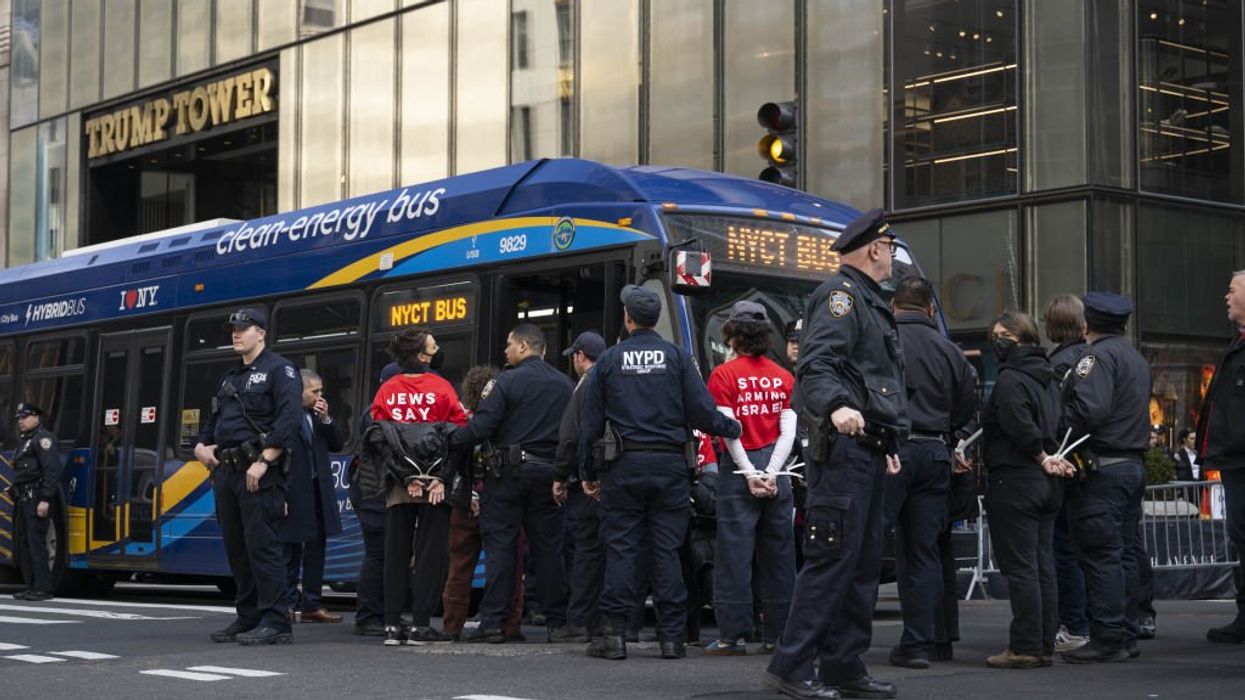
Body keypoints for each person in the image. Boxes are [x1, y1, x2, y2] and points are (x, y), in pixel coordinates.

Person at [764, 208, 907, 700]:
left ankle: (844, 667)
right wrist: (839, 406)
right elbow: (818, 365)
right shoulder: (842, 297)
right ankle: (791, 666)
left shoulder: (868, 300)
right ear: (873, 249)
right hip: (843, 452)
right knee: (831, 562)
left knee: (862, 566)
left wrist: (886, 441)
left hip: (865, 451)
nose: (892, 254)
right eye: (889, 246)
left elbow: (872, 380)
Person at [577, 283, 741, 662]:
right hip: (670, 468)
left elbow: (590, 423)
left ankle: (614, 636)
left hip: (623, 468)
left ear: (628, 318)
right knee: (667, 551)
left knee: (621, 549)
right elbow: (702, 413)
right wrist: (733, 428)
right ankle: (672, 638)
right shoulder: (677, 358)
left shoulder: (609, 361)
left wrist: (587, 471)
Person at [451, 323, 576, 643]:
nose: (505, 350)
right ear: (544, 350)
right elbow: (573, 434)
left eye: (508, 344)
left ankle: (492, 623)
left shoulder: (504, 382)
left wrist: (451, 438)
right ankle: (557, 624)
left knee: (502, 549)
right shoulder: (565, 384)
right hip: (549, 476)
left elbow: (482, 428)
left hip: (507, 477)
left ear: (523, 346)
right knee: (549, 551)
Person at [194, 307, 303, 645]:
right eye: (233, 329)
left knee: (263, 547)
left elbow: (290, 417)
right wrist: (201, 446)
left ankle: (276, 621)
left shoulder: (280, 369)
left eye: (243, 328)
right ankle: (248, 616)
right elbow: (216, 422)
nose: (236, 334)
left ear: (261, 333)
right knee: (237, 549)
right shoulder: (229, 377)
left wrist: (266, 459)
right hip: (226, 471)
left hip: (258, 471)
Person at [886, 276, 978, 670]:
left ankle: (843, 643)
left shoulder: (882, 340)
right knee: (923, 552)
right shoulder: (950, 350)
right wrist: (948, 431)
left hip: (890, 450)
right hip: (935, 451)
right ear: (929, 309)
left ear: (894, 306)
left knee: (865, 543)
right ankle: (920, 643)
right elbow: (968, 403)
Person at [1060, 292, 1151, 664]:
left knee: (1101, 554)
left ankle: (1108, 636)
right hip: (1131, 465)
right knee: (1125, 551)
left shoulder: (1095, 357)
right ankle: (1125, 632)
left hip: (1104, 467)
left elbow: (1089, 410)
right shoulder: (1134, 357)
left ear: (1087, 324)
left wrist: (1057, 423)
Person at [704, 301, 797, 656]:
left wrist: (749, 474)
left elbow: (731, 433)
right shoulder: (784, 376)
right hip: (779, 470)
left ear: (731, 336)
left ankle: (732, 635)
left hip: (738, 472)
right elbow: (788, 432)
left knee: (733, 554)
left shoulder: (723, 376)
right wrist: (771, 473)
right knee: (780, 555)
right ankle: (778, 633)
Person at [981, 310, 1073, 669]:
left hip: (1016, 478)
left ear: (1022, 338)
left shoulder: (1009, 379)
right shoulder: (1048, 378)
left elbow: (1017, 423)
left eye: (1004, 334)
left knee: (1021, 567)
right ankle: (1043, 643)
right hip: (1046, 483)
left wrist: (1039, 454)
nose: (997, 340)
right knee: (1041, 565)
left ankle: (1024, 645)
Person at [371, 327, 466, 646]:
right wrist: (439, 477)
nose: (438, 349)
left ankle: (391, 625)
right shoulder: (442, 387)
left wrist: (404, 476)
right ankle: (421, 625)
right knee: (430, 554)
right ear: (423, 355)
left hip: (400, 484)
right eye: (433, 345)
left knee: (395, 552)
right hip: (435, 484)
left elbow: (378, 436)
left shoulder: (388, 388)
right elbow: (458, 436)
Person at [441, 365, 527, 642]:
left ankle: (452, 626)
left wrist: (468, 496)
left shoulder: (462, 424)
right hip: (500, 502)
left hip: (464, 503)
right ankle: (510, 624)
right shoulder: (506, 426)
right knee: (506, 565)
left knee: (459, 567)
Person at [552, 331, 609, 641]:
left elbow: (571, 436)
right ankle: (602, 620)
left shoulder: (586, 384)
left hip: (586, 480)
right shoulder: (613, 379)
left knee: (585, 551)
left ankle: (579, 621)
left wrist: (561, 476)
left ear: (579, 356)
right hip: (612, 477)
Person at [1043, 294, 1091, 654]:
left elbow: (1058, 416)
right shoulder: (1089, 358)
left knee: (1063, 547)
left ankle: (1074, 623)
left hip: (1065, 461)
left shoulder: (1059, 364)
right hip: (1090, 464)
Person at [278, 369, 344, 624]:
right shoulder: (285, 414)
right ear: (299, 391)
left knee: (317, 548)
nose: (320, 396)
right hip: (295, 490)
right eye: (314, 391)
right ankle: (286, 603)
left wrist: (327, 419)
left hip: (318, 489)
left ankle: (312, 604)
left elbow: (337, 443)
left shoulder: (317, 416)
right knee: (291, 548)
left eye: (321, 391)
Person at [1200, 270, 1245, 644]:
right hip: (1235, 462)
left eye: (1231, 290)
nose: (1225, 297)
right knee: (1240, 538)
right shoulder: (1236, 344)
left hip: (1241, 459)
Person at [9, 403, 62, 601]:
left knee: (36, 543)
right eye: (19, 418)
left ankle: (43, 588)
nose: (21, 421)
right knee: (25, 544)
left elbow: (51, 471)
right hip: (23, 498)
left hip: (36, 498)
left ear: (36, 418)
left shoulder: (43, 439)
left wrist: (45, 499)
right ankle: (31, 586)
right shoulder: (26, 440)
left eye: (24, 417)